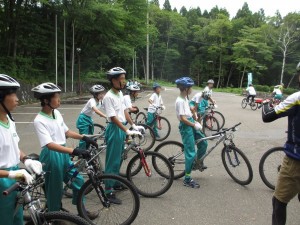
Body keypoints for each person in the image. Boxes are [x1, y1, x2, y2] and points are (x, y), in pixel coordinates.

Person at [31, 82, 98, 215]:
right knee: (55, 190)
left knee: (78, 180)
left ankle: (82, 210)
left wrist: (84, 138)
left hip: (63, 154)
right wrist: (74, 151)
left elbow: (66, 132)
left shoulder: (57, 113)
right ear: (46, 100)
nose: (59, 100)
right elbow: (49, 144)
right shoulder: (39, 120)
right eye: (56, 97)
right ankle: (54, 217)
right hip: (51, 155)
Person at [0, 74, 42, 225]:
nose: (17, 98)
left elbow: (14, 148)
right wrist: (12, 173)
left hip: (14, 177)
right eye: (12, 94)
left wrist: (26, 160)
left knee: (17, 219)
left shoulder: (10, 120)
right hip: (2, 182)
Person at [262, 62, 300, 225]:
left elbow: (267, 116)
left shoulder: (296, 98)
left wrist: (265, 105)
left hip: (295, 160)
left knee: (279, 202)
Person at [102, 67, 143, 204]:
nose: (123, 81)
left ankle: (114, 182)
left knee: (119, 157)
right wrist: (126, 130)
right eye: (121, 79)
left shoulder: (119, 94)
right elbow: (113, 118)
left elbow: (125, 112)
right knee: (112, 160)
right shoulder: (108, 97)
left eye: (124, 78)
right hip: (115, 128)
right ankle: (108, 190)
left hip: (122, 127)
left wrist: (133, 125)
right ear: (113, 80)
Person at [175, 77, 208, 188]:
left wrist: (194, 114)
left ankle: (197, 163)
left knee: (204, 143)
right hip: (186, 126)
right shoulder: (179, 101)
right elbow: (183, 119)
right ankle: (187, 179)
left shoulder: (185, 98)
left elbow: (189, 109)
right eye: (190, 87)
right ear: (185, 88)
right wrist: (194, 124)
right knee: (190, 154)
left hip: (191, 123)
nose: (192, 90)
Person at [76, 84, 106, 149]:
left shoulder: (100, 101)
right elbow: (95, 109)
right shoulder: (92, 101)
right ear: (95, 94)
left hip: (89, 118)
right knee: (84, 137)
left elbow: (106, 108)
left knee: (90, 136)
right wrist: (105, 116)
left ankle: (87, 149)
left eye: (102, 93)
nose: (102, 95)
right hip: (83, 119)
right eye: (100, 94)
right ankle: (81, 153)